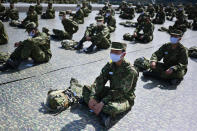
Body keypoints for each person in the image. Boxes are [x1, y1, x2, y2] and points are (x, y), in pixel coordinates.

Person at [81, 42, 139, 127]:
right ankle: (100, 111)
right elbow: (99, 81)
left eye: (116, 52)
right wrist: (92, 97)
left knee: (112, 108)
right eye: (112, 52)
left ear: (123, 54)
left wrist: (102, 102)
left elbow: (121, 91)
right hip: (111, 93)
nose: (113, 54)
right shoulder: (110, 65)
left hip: (124, 97)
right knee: (86, 89)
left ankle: (99, 110)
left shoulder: (130, 71)